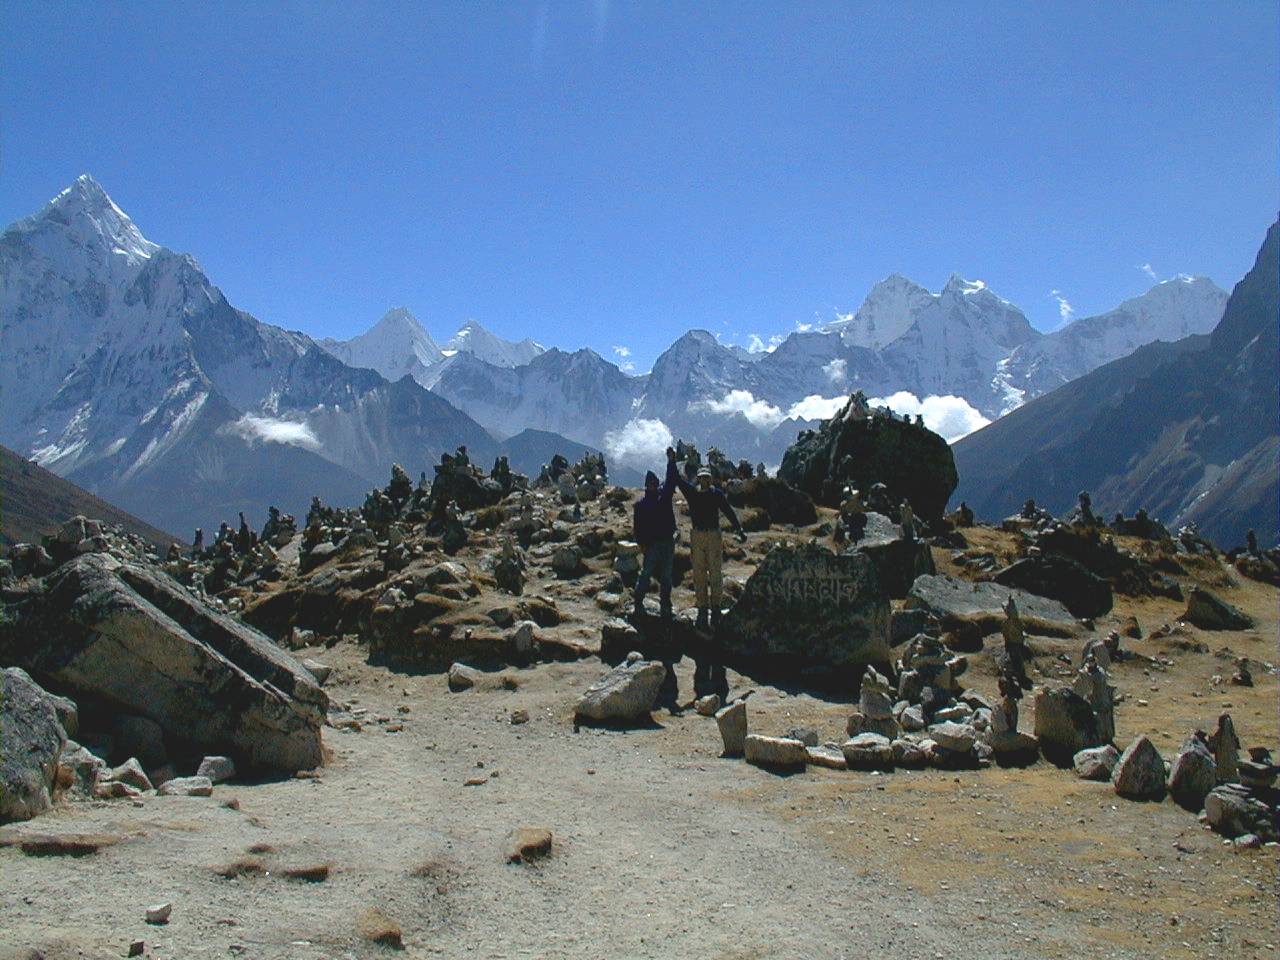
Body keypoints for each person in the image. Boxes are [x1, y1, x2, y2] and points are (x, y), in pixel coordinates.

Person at [672, 457, 746, 630]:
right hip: (698, 535)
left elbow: (728, 511)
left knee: (715, 572)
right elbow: (678, 480)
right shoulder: (693, 493)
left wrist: (738, 528)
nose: (704, 480)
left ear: (710, 479)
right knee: (699, 573)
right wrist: (671, 462)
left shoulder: (716, 494)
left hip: (712, 535)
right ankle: (703, 606)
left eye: (706, 477)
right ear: (698, 479)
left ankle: (716, 607)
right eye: (702, 477)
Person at [632, 450, 680, 619]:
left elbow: (672, 479)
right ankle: (639, 600)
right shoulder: (644, 504)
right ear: (647, 485)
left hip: (665, 542)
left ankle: (664, 603)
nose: (653, 485)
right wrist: (642, 544)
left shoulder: (659, 498)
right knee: (648, 573)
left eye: (654, 483)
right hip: (653, 544)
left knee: (665, 575)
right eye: (651, 483)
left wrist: (671, 462)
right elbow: (637, 528)